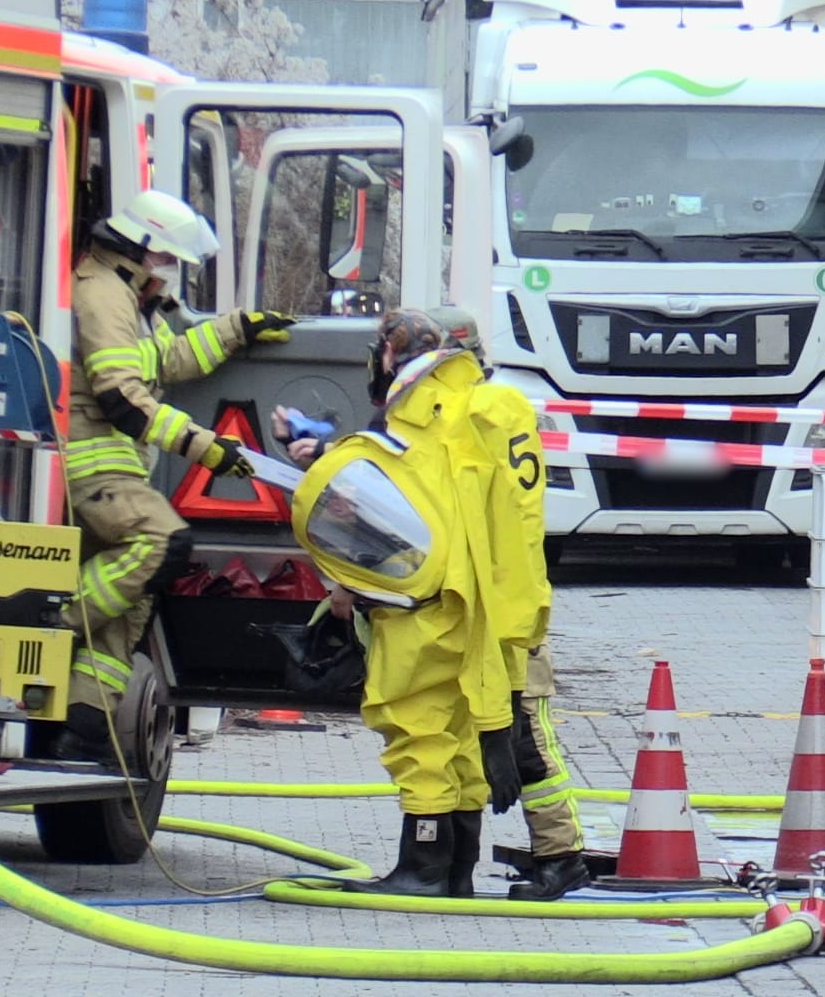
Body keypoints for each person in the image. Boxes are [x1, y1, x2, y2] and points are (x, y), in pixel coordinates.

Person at [290, 308, 524, 897]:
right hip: (476, 604)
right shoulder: (474, 415)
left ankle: (421, 870)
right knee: (461, 735)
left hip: (421, 606)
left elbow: (387, 500)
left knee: (417, 733)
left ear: (394, 359)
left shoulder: (417, 421)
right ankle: (456, 871)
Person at [59, 189, 297, 761]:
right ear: (141, 250)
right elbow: (122, 398)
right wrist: (204, 447)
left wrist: (236, 329)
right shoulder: (101, 296)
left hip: (114, 470)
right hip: (89, 465)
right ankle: (54, 618)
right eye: (167, 263)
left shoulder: (126, 299)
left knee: (133, 591)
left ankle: (84, 719)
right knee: (161, 541)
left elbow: (166, 362)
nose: (169, 277)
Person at [428, 305, 589, 901]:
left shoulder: (472, 413)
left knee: (525, 735)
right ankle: (551, 851)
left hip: (504, 606)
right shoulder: (502, 405)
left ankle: (561, 853)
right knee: (506, 732)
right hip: (504, 599)